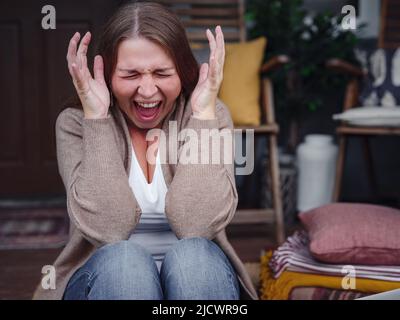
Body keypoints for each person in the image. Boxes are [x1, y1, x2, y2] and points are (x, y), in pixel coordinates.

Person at [32, 1, 257, 300]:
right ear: (109, 75)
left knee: (194, 257)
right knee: (126, 262)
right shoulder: (75, 123)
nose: (148, 91)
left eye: (162, 73)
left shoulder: (210, 115)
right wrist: (97, 120)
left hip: (197, 282)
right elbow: (108, 229)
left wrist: (202, 115)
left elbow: (196, 225)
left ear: (182, 72)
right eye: (130, 75)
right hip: (108, 282)